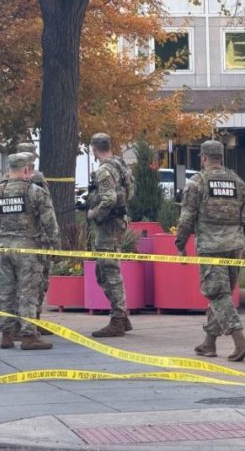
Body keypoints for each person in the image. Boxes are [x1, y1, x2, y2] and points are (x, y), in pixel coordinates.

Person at [175, 140, 245, 362]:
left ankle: (240, 342)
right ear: (221, 157)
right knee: (221, 294)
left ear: (203, 157)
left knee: (218, 294)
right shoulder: (237, 182)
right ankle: (209, 343)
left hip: (211, 247)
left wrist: (180, 245)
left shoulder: (197, 182)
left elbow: (186, 218)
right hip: (235, 247)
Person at [0, 152, 60, 350]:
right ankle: (29, 335)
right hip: (27, 247)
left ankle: (6, 334)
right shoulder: (35, 192)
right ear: (27, 169)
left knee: (6, 292)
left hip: (4, 246)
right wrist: (56, 247)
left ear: (9, 169)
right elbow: (50, 223)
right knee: (28, 291)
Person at [87, 132, 134, 337]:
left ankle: (118, 319)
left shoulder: (104, 170)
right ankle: (121, 316)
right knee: (104, 271)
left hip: (109, 225)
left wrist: (93, 213)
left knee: (108, 271)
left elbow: (109, 199)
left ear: (94, 149)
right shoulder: (121, 166)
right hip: (119, 221)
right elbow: (130, 192)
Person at [16, 142, 54, 336]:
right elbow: (46, 211)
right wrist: (54, 241)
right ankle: (32, 322)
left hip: (13, 238)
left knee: (16, 283)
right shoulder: (36, 179)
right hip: (36, 238)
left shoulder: (7, 181)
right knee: (36, 281)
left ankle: (18, 323)